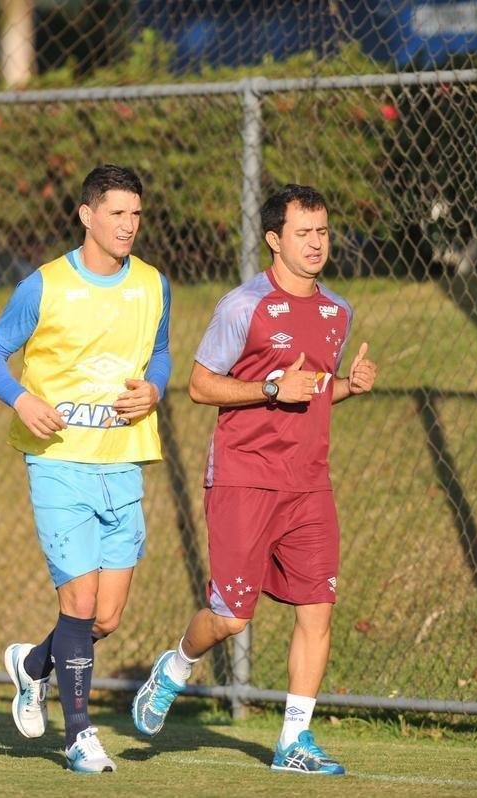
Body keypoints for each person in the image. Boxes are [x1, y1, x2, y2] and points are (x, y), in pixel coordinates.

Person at [130, 183, 376, 775]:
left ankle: (294, 741)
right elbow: (199, 385)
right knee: (232, 616)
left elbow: (311, 392)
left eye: (322, 232)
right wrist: (270, 387)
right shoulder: (244, 306)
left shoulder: (337, 311)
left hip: (310, 485)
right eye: (303, 234)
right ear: (274, 240)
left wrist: (349, 386)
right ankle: (175, 667)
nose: (316, 244)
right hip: (244, 478)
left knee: (317, 609)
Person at [0, 164, 172, 774]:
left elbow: (160, 352)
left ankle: (33, 666)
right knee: (80, 604)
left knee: (103, 618)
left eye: (135, 215)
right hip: (58, 462)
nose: (128, 226)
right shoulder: (44, 286)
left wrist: (155, 390)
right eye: (116, 213)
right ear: (86, 215)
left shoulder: (153, 285)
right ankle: (79, 737)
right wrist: (23, 399)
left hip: (122, 464)